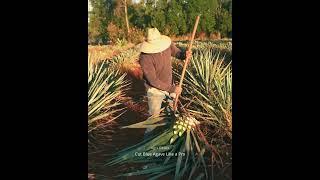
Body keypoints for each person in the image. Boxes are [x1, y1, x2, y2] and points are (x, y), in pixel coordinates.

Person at [139, 28, 192, 137]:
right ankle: (147, 141)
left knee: (172, 111)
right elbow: (153, 80)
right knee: (154, 117)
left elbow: (177, 52)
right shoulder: (145, 57)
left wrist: (184, 55)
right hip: (154, 90)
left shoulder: (166, 45)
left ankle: (168, 135)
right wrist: (172, 89)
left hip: (169, 84)